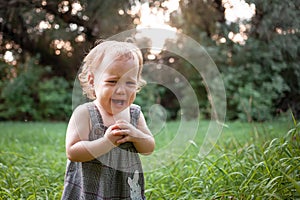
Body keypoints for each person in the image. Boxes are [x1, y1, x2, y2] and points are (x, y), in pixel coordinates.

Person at [62, 40, 155, 200]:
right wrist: (107, 142)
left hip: (124, 187)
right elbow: (73, 152)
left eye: (130, 83)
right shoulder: (85, 113)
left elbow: (149, 147)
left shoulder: (134, 113)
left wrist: (135, 134)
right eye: (112, 81)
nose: (121, 90)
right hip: (92, 187)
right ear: (92, 80)